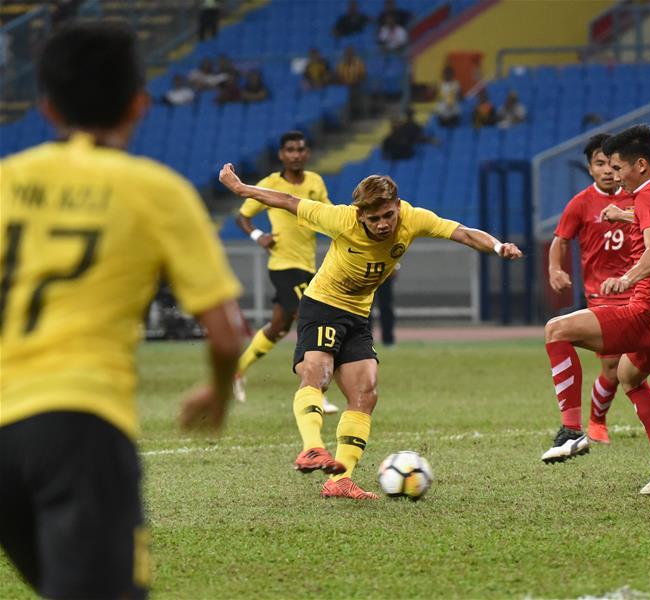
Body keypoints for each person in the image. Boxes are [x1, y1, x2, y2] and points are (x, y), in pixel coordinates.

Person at [0, 21, 243, 597]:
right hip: (77, 423)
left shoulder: (7, 180)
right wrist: (216, 390)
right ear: (139, 103)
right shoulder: (154, 191)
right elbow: (228, 334)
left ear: (47, 107)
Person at [218, 165, 523, 499]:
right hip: (322, 306)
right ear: (360, 215)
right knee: (317, 375)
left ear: (397, 206)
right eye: (374, 219)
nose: (383, 224)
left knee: (365, 393)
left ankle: (340, 480)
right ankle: (312, 448)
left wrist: (497, 247)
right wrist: (243, 189)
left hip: (358, 314)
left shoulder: (412, 218)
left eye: (388, 216)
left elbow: (462, 232)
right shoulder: (340, 219)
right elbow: (289, 201)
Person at [542, 124, 650, 495]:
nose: (616, 176)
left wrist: (626, 279)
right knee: (630, 378)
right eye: (607, 167)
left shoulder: (646, 196)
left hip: (647, 311)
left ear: (640, 165)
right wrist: (624, 217)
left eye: (620, 167)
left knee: (555, 330)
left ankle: (572, 431)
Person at [233, 131, 336, 414]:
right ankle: (315, 389)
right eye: (290, 150)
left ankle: (236, 371)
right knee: (311, 319)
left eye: (300, 149)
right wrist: (257, 235)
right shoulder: (270, 184)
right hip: (282, 265)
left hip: (308, 265)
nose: (295, 154)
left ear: (307, 153)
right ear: (281, 154)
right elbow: (243, 215)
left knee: (279, 326)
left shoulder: (315, 181)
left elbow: (327, 215)